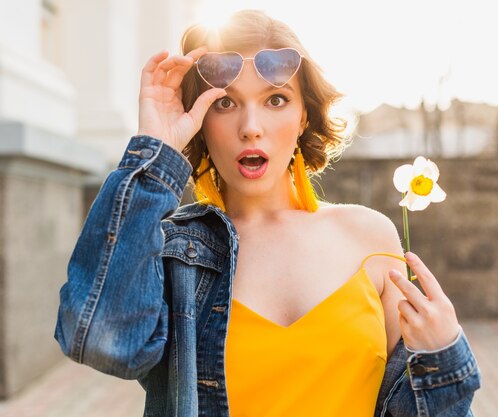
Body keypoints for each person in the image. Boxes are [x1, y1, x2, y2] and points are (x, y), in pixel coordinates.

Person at [54, 9, 481, 417]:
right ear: (201, 120)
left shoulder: (370, 238)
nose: (250, 126)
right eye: (225, 103)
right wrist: (156, 148)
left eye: (276, 100)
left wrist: (443, 354)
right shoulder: (171, 252)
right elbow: (101, 341)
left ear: (303, 117)